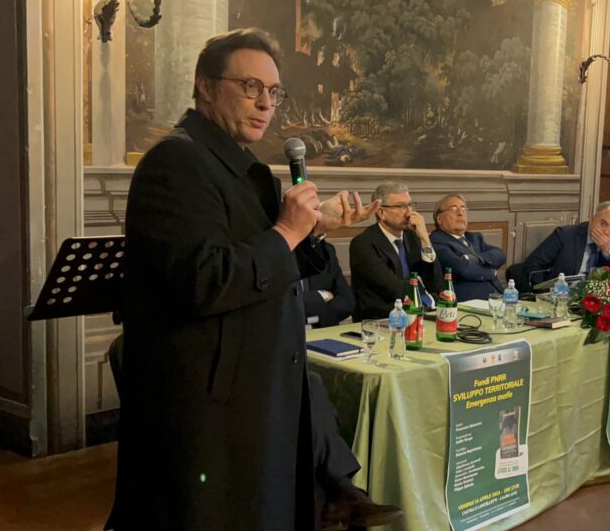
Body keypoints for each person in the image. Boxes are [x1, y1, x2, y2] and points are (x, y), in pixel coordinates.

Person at [108, 28, 400, 531]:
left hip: (254, 389)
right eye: (249, 87)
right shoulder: (176, 162)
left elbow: (263, 266)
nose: (266, 104)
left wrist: (311, 233)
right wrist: (287, 230)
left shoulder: (236, 166)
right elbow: (204, 280)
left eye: (273, 91)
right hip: (209, 409)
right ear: (204, 86)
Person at [350, 182, 444, 321]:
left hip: (417, 315)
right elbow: (394, 289)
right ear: (381, 212)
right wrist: (429, 297)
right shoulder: (363, 244)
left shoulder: (413, 236)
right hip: (379, 320)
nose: (409, 213)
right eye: (401, 207)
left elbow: (436, 285)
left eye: (410, 205)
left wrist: (425, 240)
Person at [520, 201, 610, 292]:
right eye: (603, 224)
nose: (606, 232)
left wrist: (606, 251)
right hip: (559, 297)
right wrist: (545, 292)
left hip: (591, 304)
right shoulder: (565, 235)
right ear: (592, 219)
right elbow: (533, 264)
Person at [429, 194, 506, 301]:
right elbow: (463, 269)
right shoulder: (436, 242)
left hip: (498, 298)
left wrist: (477, 258)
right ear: (439, 219)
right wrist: (492, 272)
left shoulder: (474, 237)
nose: (460, 213)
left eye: (463, 209)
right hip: (469, 304)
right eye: (453, 209)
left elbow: (500, 254)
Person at [302, 239, 355, 328]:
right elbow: (286, 304)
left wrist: (317, 316)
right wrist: (322, 295)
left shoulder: (326, 249)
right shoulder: (276, 250)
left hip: (324, 330)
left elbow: (348, 302)